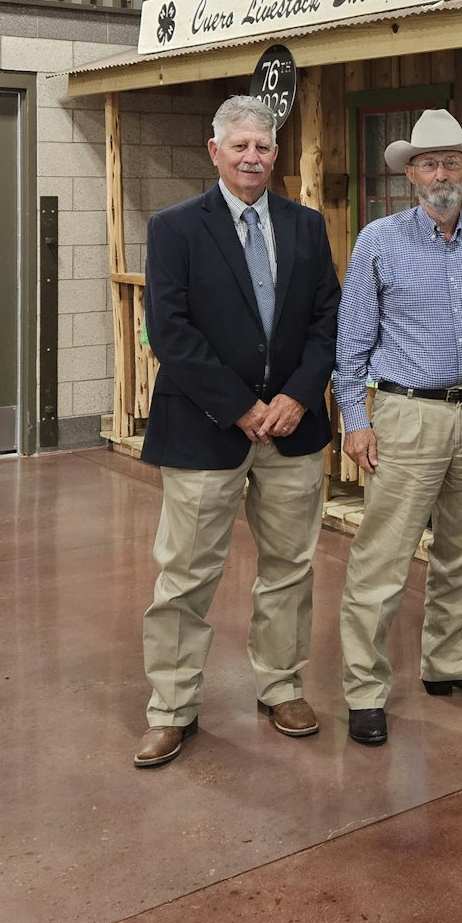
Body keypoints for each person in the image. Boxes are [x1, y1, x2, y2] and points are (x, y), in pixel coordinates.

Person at [134, 95, 340, 769]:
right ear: (214, 150)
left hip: (291, 432)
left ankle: (281, 687)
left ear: (276, 155)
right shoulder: (174, 229)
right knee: (186, 577)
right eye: (240, 146)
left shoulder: (307, 227)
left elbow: (325, 323)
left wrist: (296, 396)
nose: (253, 157)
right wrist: (241, 407)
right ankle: (171, 709)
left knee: (289, 570)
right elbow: (171, 331)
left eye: (264, 146)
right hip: (204, 431)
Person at [333, 110, 462, 749]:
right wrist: (355, 420)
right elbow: (351, 339)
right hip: (406, 415)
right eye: (430, 163)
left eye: (453, 163)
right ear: (410, 173)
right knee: (382, 559)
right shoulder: (379, 240)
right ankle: (364, 691)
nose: (442, 174)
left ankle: (448, 663)